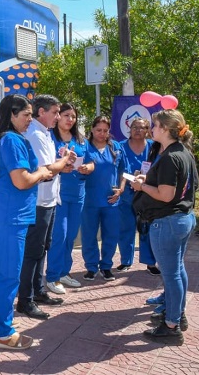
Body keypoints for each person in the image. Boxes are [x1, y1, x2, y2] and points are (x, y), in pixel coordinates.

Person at [0, 94, 52, 350]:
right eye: (26, 115)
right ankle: (3, 334)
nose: (30, 119)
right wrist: (41, 172)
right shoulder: (11, 140)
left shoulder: (1, 138)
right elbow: (21, 181)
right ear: (11, 115)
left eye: (31, 114)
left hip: (2, 213)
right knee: (8, 275)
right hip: (10, 216)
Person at [131, 109, 198, 345]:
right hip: (183, 218)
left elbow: (166, 195)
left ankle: (171, 326)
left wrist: (142, 186)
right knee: (177, 271)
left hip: (168, 221)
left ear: (166, 129)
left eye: (155, 125)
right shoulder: (183, 152)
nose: (152, 129)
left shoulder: (170, 157)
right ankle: (178, 315)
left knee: (171, 275)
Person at [16, 95, 75, 319]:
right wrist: (64, 160)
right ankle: (25, 300)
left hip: (49, 200)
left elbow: (51, 169)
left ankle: (38, 291)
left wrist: (62, 165)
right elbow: (46, 170)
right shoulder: (35, 134)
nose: (58, 117)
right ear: (41, 112)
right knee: (33, 252)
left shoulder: (46, 133)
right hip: (39, 202)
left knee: (42, 249)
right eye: (55, 112)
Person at [46, 103, 94, 295]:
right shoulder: (50, 138)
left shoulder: (80, 140)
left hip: (78, 194)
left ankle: (64, 272)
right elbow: (45, 163)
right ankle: (52, 277)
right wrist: (60, 167)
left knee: (71, 236)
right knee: (60, 235)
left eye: (73, 116)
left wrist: (88, 168)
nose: (70, 119)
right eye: (66, 115)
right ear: (58, 116)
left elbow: (91, 161)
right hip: (58, 194)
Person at [81, 116, 127, 281]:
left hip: (111, 200)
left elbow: (124, 171)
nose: (102, 134)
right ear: (92, 129)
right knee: (89, 235)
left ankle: (106, 266)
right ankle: (91, 267)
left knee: (111, 235)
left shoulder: (116, 147)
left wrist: (121, 189)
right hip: (89, 200)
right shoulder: (84, 147)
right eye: (98, 130)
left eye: (105, 131)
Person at [117, 117, 159, 275]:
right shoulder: (120, 146)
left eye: (142, 127)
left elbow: (159, 168)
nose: (138, 130)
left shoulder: (154, 147)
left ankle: (150, 263)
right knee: (126, 228)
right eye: (135, 127)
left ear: (147, 130)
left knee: (146, 228)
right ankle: (125, 261)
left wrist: (143, 179)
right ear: (130, 129)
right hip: (126, 194)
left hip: (147, 194)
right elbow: (116, 167)